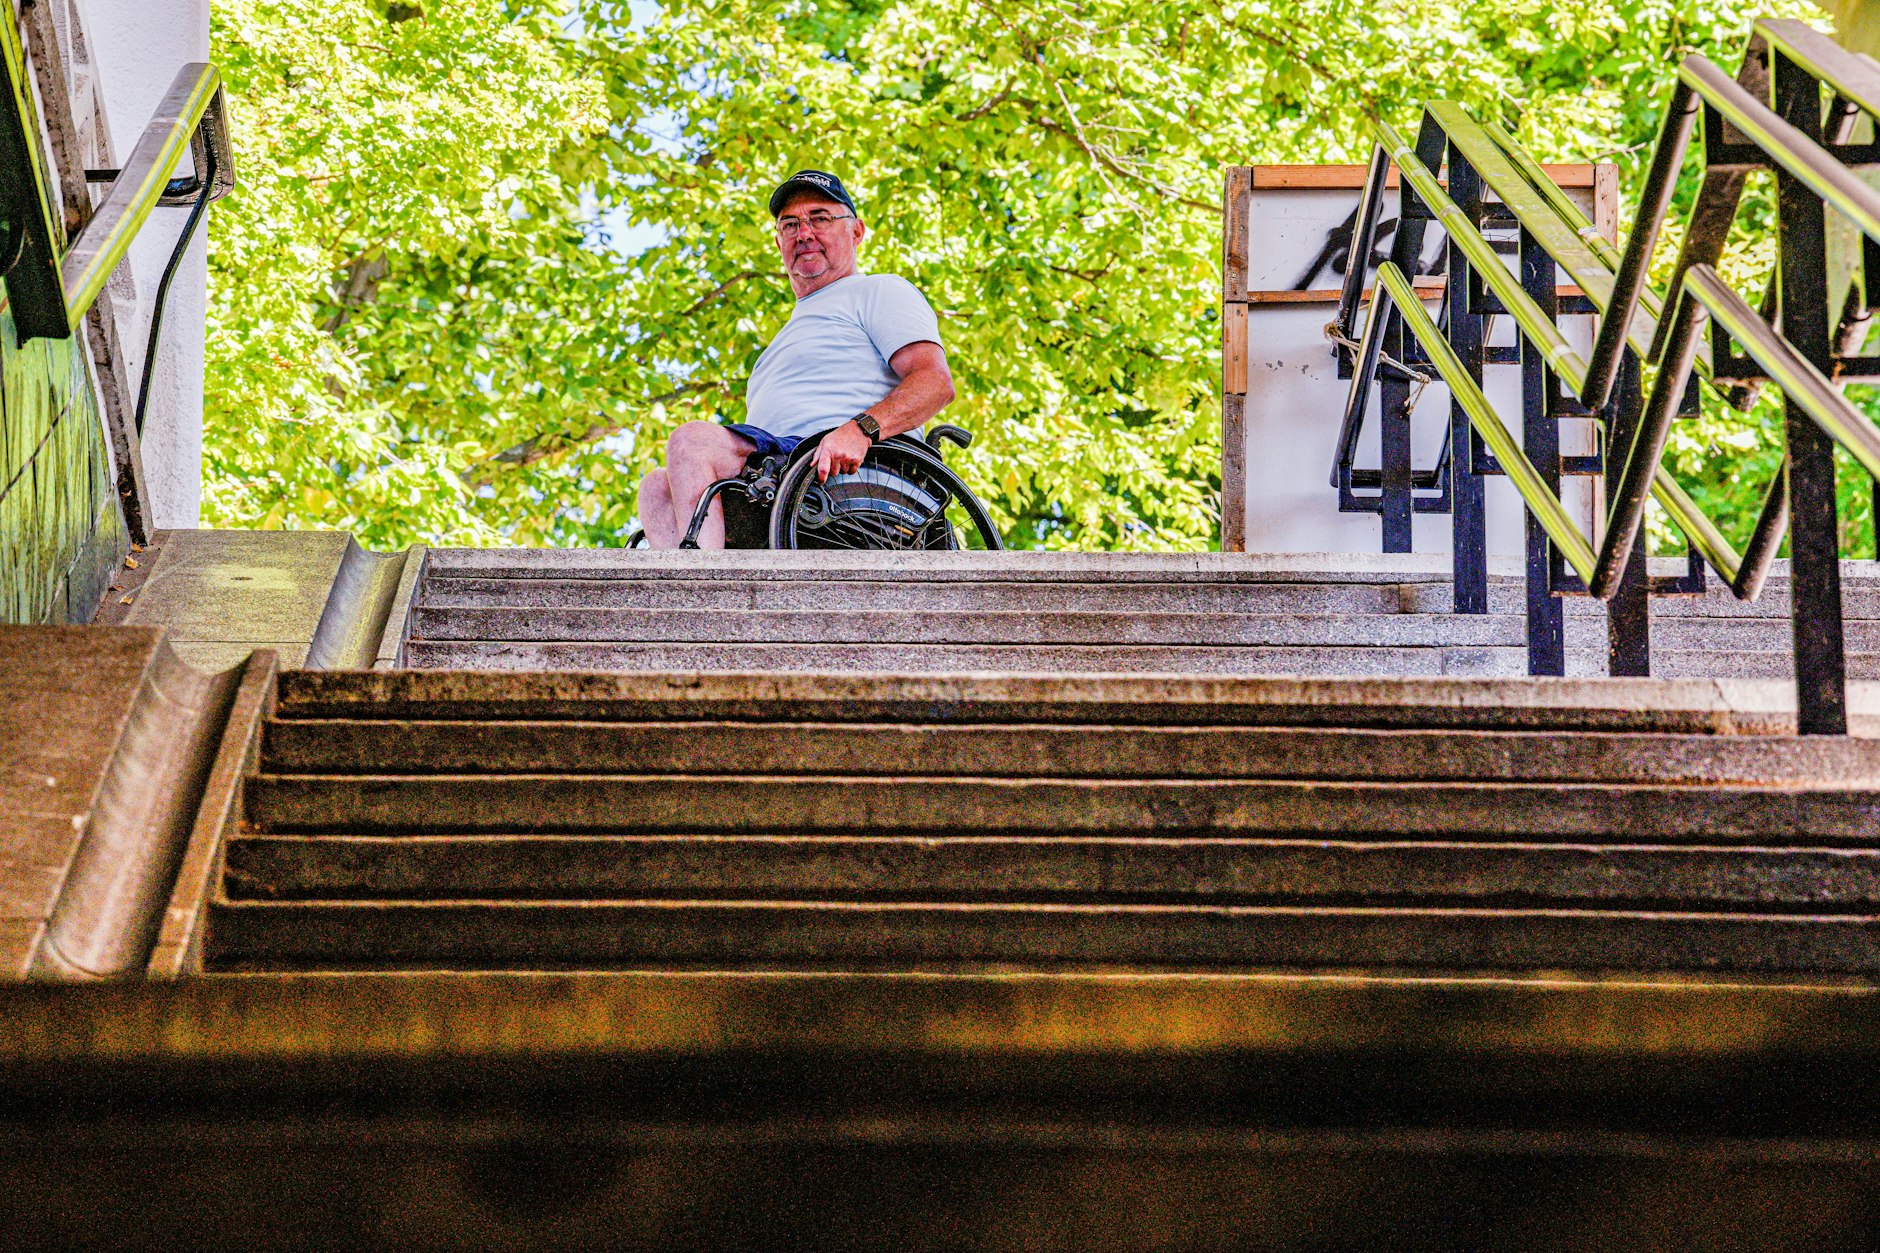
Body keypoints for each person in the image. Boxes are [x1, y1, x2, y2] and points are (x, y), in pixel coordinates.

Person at [635, 170, 957, 548]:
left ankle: (702, 580)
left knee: (692, 441)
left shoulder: (877, 291)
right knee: (656, 489)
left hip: (853, 474)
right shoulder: (778, 347)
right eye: (790, 225)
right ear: (779, 242)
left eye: (820, 218)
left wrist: (861, 430)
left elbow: (934, 383)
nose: (804, 233)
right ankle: (699, 577)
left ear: (856, 232)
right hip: (779, 478)